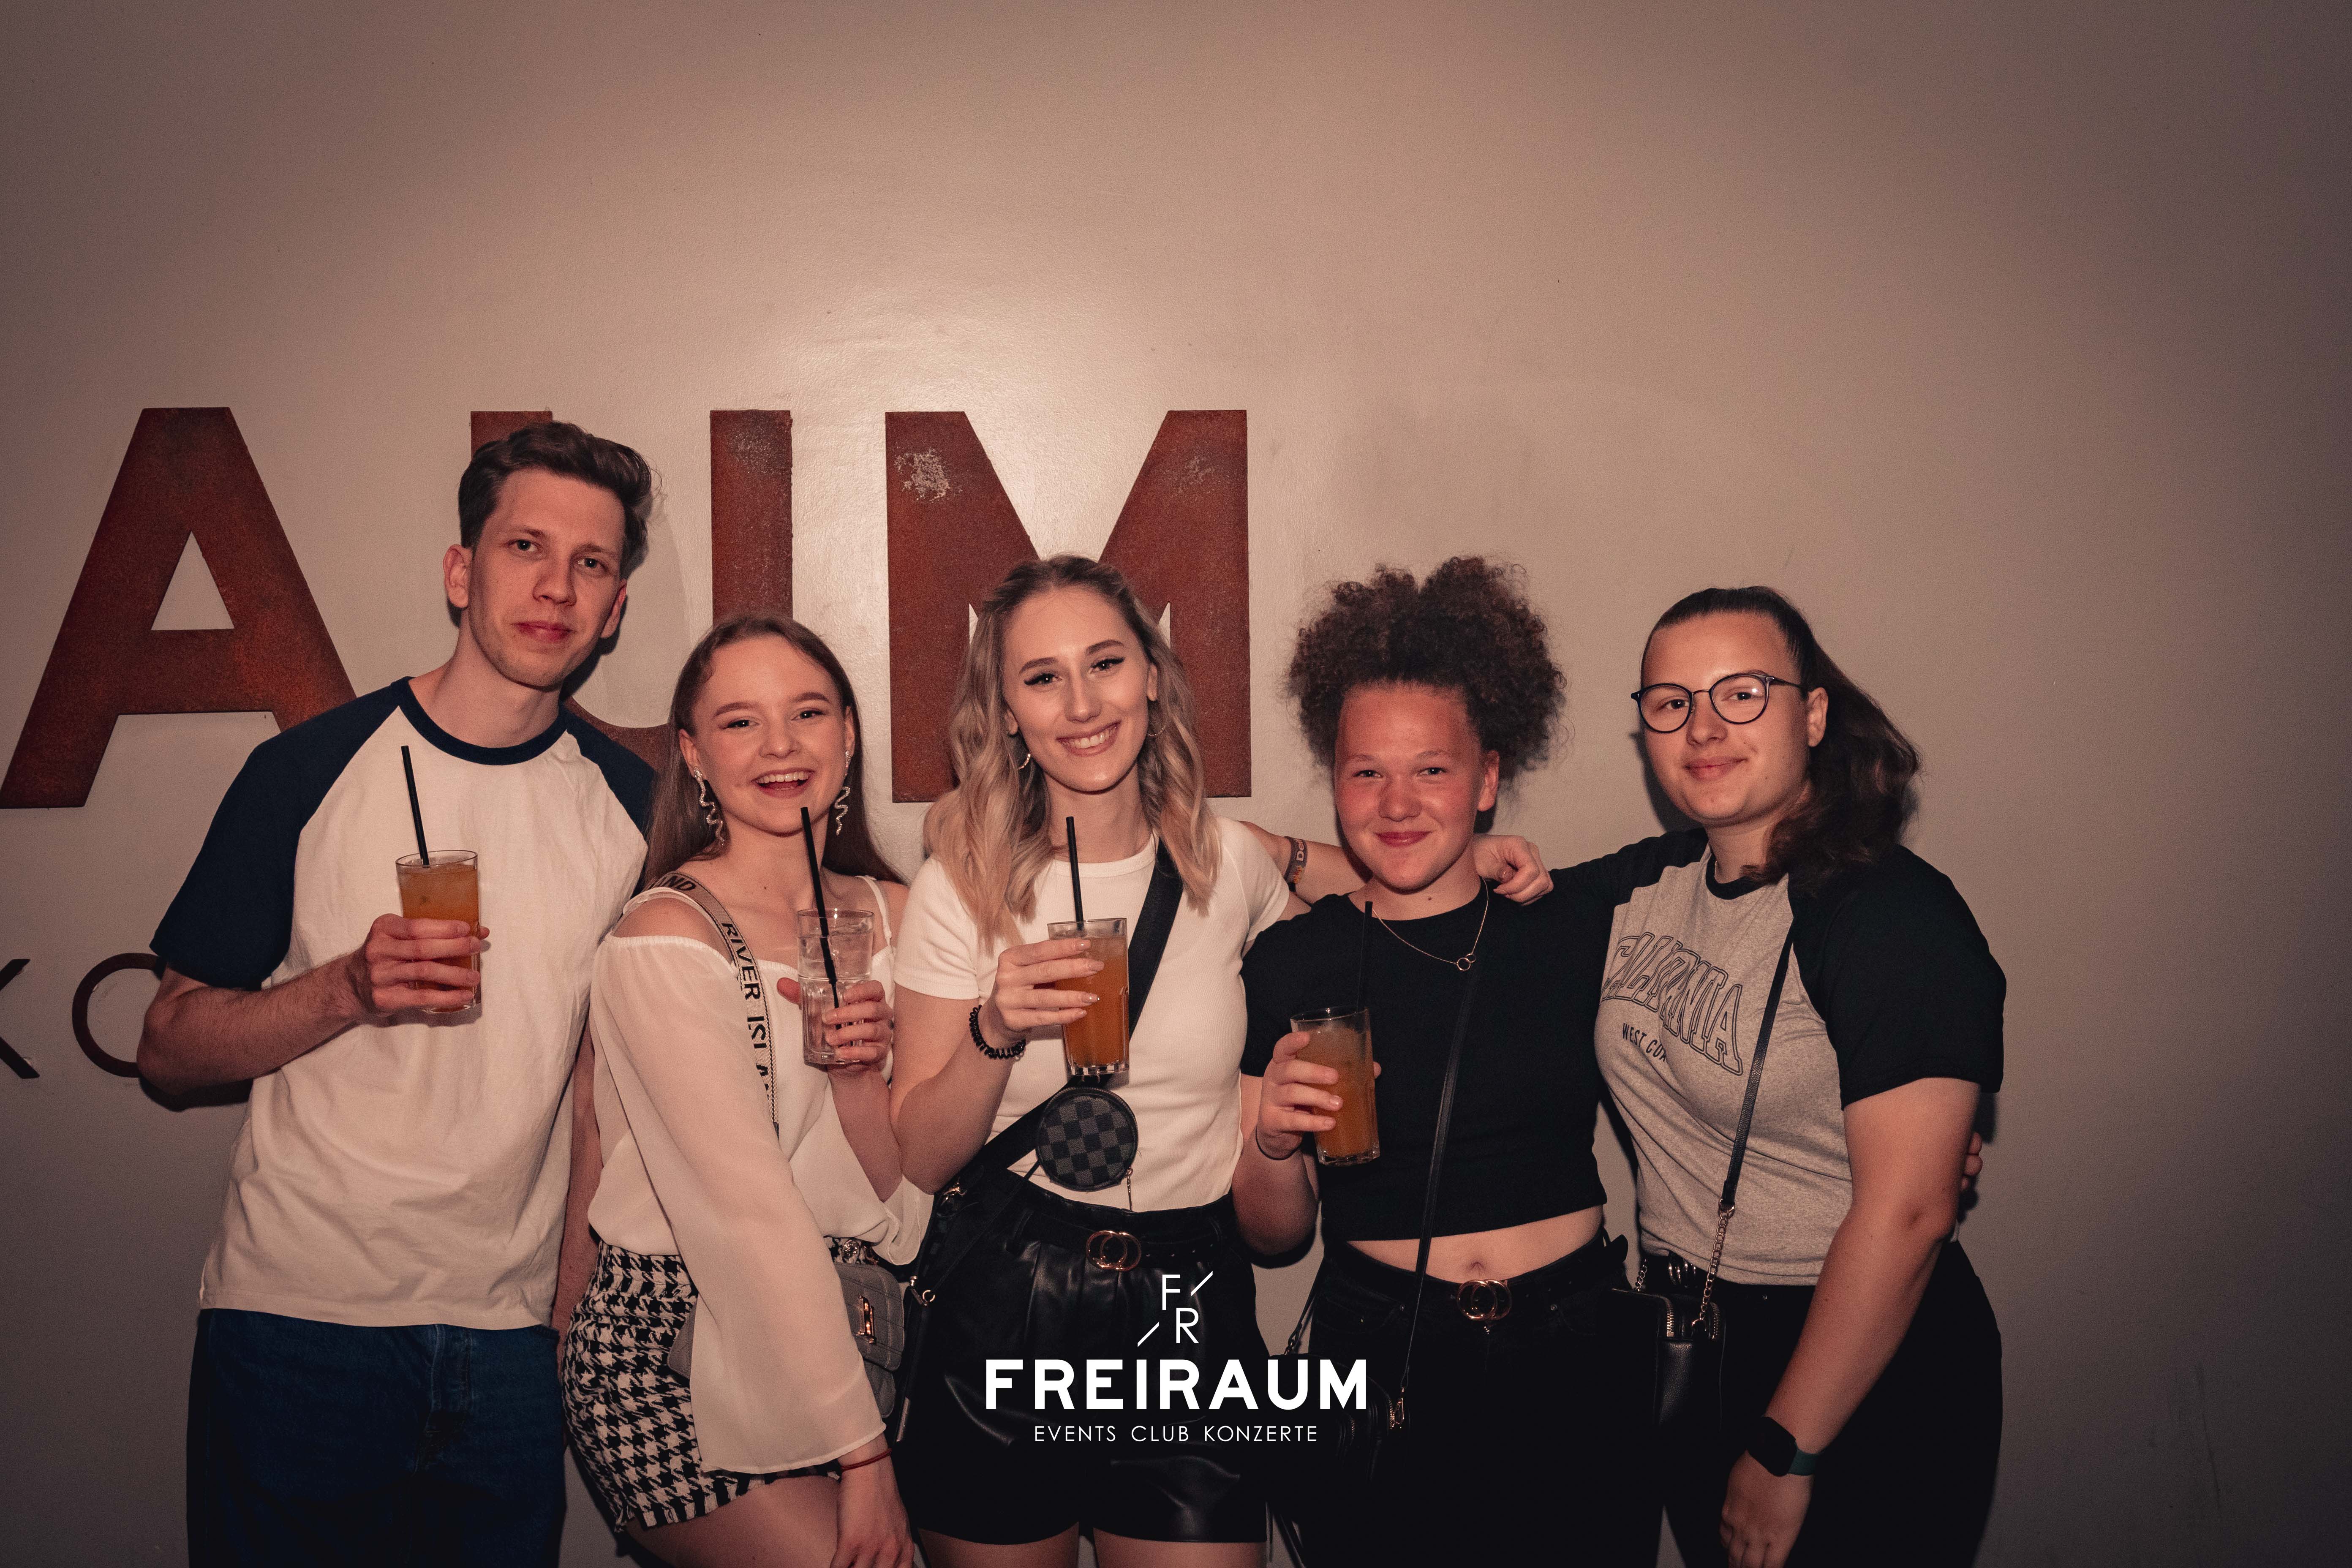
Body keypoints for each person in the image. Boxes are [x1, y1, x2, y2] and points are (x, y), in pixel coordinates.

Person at [885, 554, 1552, 1568]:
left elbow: (1388, 876)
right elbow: (922, 1157)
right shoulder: (961, 885)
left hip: (1187, 1309)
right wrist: (995, 1028)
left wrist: (1480, 858)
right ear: (1008, 712)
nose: (1081, 703)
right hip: (1009, 1303)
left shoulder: (1226, 860)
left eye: (1106, 662)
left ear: (1153, 677)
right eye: (1042, 677)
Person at [139, 421, 659, 1565]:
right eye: (525, 546)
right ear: (461, 572)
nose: (556, 586)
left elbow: (603, 1090)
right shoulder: (309, 768)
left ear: (616, 608)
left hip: (512, 1340)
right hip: (301, 1319)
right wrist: (345, 988)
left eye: (590, 563)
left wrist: (569, 1312)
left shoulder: (635, 807)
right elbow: (167, 1046)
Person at [1571, 586, 2004, 1568]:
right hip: (1690, 1339)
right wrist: (1268, 854)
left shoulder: (1893, 915)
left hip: (1853, 1358)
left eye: (1742, 694)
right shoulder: (1650, 881)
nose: (1703, 728)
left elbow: (1911, 1211)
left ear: (1812, 714)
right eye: (1671, 702)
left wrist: (1786, 1445)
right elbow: (1448, 891)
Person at [1236, 558, 1657, 1565]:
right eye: (1365, 772)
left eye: (1431, 769)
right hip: (1382, 1354)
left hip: (1574, 1350)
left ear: (1489, 777)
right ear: (1334, 780)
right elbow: (1272, 1234)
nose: (1396, 802)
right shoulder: (1293, 961)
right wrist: (1273, 1140)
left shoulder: (1570, 924)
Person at [558, 612, 926, 1568]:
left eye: (807, 713)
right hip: (673, 1339)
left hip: (856, 1324)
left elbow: (907, 1215)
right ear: (693, 753)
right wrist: (866, 1455)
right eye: (740, 722)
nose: (780, 746)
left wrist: (860, 1083)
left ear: (848, 732)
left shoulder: (904, 918)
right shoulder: (664, 937)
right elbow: (744, 1214)